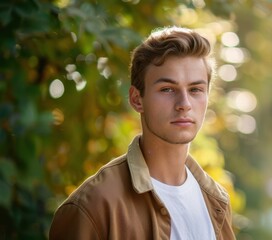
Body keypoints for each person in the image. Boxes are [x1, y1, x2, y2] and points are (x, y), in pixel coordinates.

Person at [49, 26, 236, 240]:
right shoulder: (93, 206)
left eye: (195, 90)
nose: (184, 104)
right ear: (137, 99)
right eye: (167, 89)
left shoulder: (216, 201)